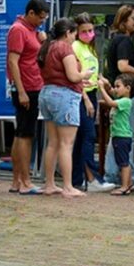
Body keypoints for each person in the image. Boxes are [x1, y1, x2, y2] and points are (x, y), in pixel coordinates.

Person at [38, 18, 92, 198]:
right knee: (66, 144)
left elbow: (61, 74)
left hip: (47, 93)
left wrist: (77, 78)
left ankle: (49, 184)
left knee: (52, 142)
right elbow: (72, 75)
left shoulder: (48, 46)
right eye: (74, 35)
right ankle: (68, 186)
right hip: (64, 97)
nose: (74, 39)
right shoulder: (64, 48)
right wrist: (84, 74)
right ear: (68, 32)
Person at [104, 5, 134, 190]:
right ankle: (129, 175)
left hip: (120, 93)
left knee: (117, 134)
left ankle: (112, 174)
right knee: (126, 135)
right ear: (124, 21)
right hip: (127, 94)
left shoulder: (116, 40)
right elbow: (123, 66)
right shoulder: (124, 41)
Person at [7, 0, 49, 195]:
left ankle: (17, 180)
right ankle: (25, 180)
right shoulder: (18, 30)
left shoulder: (31, 31)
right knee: (26, 135)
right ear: (30, 13)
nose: (42, 21)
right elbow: (13, 61)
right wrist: (21, 90)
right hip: (27, 88)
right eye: (40, 18)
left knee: (21, 132)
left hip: (32, 85)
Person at [71, 13, 115, 192]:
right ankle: (92, 178)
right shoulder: (75, 47)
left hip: (92, 92)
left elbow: (93, 72)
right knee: (88, 136)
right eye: (84, 31)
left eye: (91, 30)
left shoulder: (91, 48)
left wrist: (102, 80)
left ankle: (77, 178)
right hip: (82, 96)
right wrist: (87, 99)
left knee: (82, 138)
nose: (89, 34)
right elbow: (75, 76)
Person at [97, 74, 134, 196]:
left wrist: (102, 89)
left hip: (122, 136)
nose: (115, 89)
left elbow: (109, 102)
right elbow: (113, 94)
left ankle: (124, 186)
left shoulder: (125, 101)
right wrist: (106, 84)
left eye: (118, 86)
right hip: (118, 136)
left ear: (128, 88)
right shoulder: (122, 99)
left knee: (123, 163)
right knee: (124, 161)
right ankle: (129, 183)